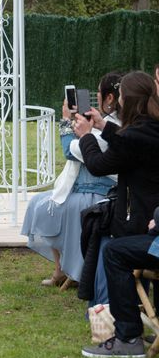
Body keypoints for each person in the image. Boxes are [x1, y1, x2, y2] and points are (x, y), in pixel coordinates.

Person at [74, 71, 159, 358]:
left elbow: (98, 164)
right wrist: (103, 128)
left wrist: (87, 136)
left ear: (129, 101)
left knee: (114, 252)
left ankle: (127, 336)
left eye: (122, 97)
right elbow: (128, 143)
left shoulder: (135, 136)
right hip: (151, 218)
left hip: (144, 222)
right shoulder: (152, 128)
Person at [21, 73, 122, 286]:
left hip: (99, 194)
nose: (96, 95)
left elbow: (71, 150)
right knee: (40, 202)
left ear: (109, 98)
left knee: (47, 208)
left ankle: (68, 270)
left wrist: (66, 120)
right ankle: (61, 270)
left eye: (99, 92)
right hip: (86, 189)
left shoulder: (113, 127)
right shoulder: (111, 124)